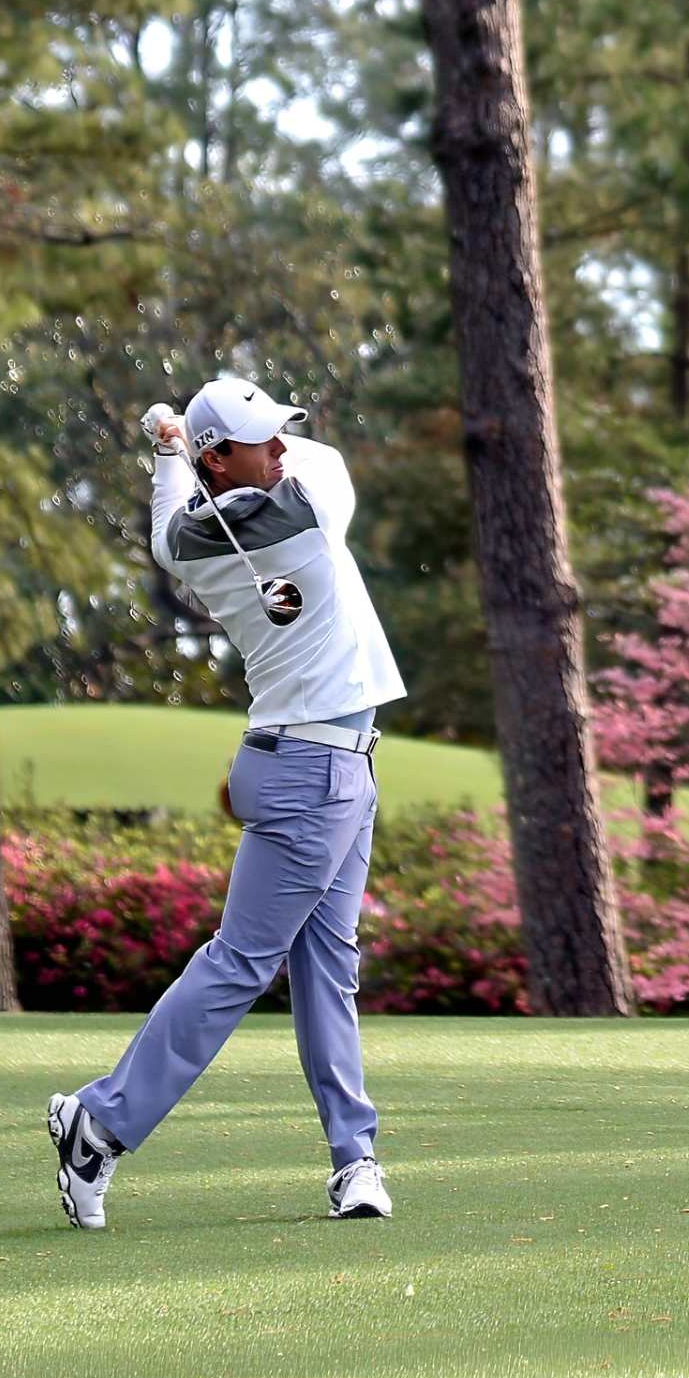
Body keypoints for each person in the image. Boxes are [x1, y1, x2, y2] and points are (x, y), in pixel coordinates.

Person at [46, 375, 406, 1229]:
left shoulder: (193, 543)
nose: (280, 449)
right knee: (241, 961)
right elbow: (325, 458)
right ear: (220, 460)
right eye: (260, 441)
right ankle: (100, 1123)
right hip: (313, 774)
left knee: (329, 968)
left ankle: (354, 1160)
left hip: (323, 764)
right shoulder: (310, 506)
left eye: (281, 435)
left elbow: (167, 526)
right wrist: (183, 443)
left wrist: (170, 451)